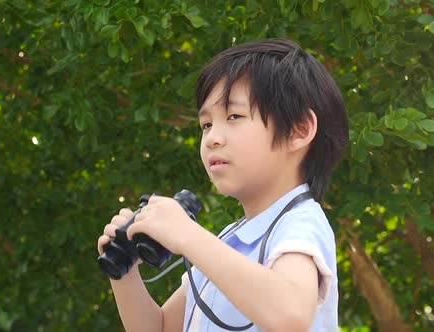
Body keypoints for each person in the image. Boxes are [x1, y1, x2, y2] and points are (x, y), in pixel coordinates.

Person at [97, 38, 349, 331]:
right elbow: (162, 328)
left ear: (298, 131)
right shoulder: (228, 241)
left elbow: (290, 313)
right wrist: (124, 274)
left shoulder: (300, 223)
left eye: (234, 116)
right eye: (206, 124)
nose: (213, 137)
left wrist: (187, 235)